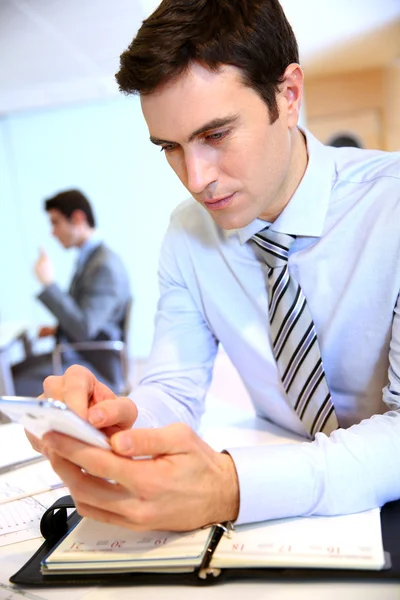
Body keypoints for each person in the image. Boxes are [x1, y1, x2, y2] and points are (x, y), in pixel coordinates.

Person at [28, 0, 400, 533]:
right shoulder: (186, 233)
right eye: (171, 148)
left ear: (288, 95)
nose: (196, 178)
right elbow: (175, 389)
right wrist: (123, 421)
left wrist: (231, 487)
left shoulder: (393, 208)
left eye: (216, 135)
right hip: (292, 518)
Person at [12, 189, 131, 396]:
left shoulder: (104, 266)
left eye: (55, 222)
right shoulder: (92, 259)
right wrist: (56, 329)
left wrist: (49, 285)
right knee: (13, 370)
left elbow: (85, 328)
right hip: (79, 353)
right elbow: (87, 317)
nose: (52, 232)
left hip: (92, 364)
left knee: (11, 380)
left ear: (77, 218)